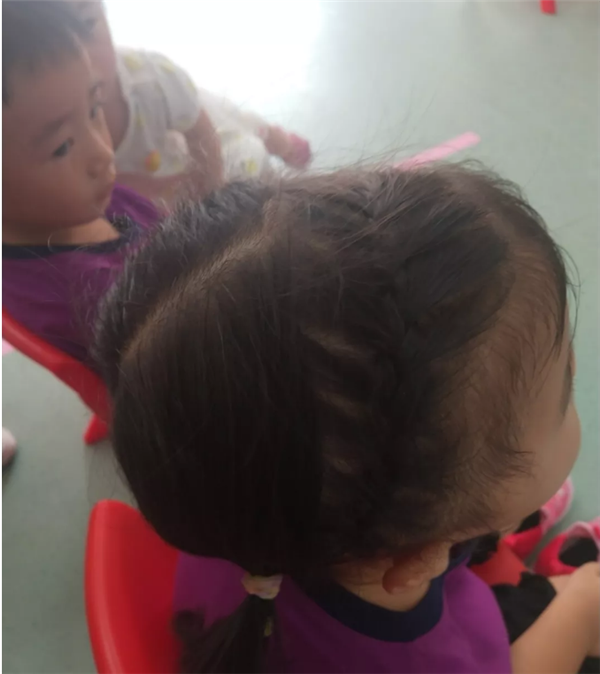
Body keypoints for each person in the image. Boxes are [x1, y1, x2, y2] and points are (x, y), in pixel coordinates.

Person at [96, 164, 600, 673]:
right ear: (418, 558)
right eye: (564, 389)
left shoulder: (232, 489)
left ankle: (496, 523)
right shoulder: (428, 664)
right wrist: (580, 609)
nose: (576, 366)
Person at [2, 1, 159, 366]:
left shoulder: (73, 206)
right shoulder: (93, 296)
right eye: (62, 147)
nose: (103, 153)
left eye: (94, 109)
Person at [64, 1, 312, 207]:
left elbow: (203, 134)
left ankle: (274, 137)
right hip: (156, 196)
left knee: (244, 152)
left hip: (191, 152)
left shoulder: (151, 81)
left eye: (87, 23)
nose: (80, 59)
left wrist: (209, 196)